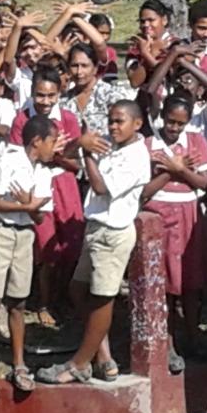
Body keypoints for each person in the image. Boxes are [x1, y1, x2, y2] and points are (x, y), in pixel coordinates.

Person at [37, 100, 151, 385]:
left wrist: (87, 152)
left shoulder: (136, 156)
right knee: (78, 289)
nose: (113, 127)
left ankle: (79, 364)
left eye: (119, 121)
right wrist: (80, 143)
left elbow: (100, 187)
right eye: (110, 121)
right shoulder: (113, 145)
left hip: (113, 232)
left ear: (137, 124)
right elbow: (66, 154)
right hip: (96, 228)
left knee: (102, 299)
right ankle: (102, 355)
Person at [142, 94, 207, 373]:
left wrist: (179, 169)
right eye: (170, 121)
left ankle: (193, 336)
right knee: (165, 282)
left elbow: (205, 183)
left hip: (188, 215)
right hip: (158, 214)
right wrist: (171, 172)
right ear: (162, 117)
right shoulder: (148, 145)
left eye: (180, 124)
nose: (174, 128)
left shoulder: (196, 141)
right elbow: (144, 190)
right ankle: (168, 342)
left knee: (190, 280)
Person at [0, 114, 55, 393]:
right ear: (37, 141)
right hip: (0, 232)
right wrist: (26, 206)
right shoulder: (10, 161)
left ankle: (18, 362)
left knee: (18, 301)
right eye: (52, 141)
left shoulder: (44, 172)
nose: (54, 148)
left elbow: (40, 216)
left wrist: (29, 206)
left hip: (25, 235)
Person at [7, 69, 84, 327]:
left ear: (59, 94)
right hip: (36, 183)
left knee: (72, 243)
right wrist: (51, 156)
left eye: (51, 96)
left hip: (64, 182)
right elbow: (18, 159)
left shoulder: (68, 119)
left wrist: (57, 156)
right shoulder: (22, 120)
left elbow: (76, 163)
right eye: (40, 95)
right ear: (31, 93)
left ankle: (65, 296)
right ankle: (44, 301)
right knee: (45, 246)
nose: (46, 101)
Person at [127, 0, 173, 89]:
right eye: (142, 21)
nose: (146, 25)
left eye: (151, 20)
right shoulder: (135, 48)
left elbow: (168, 77)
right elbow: (134, 82)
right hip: (145, 96)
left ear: (164, 20)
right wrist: (149, 54)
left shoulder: (175, 45)